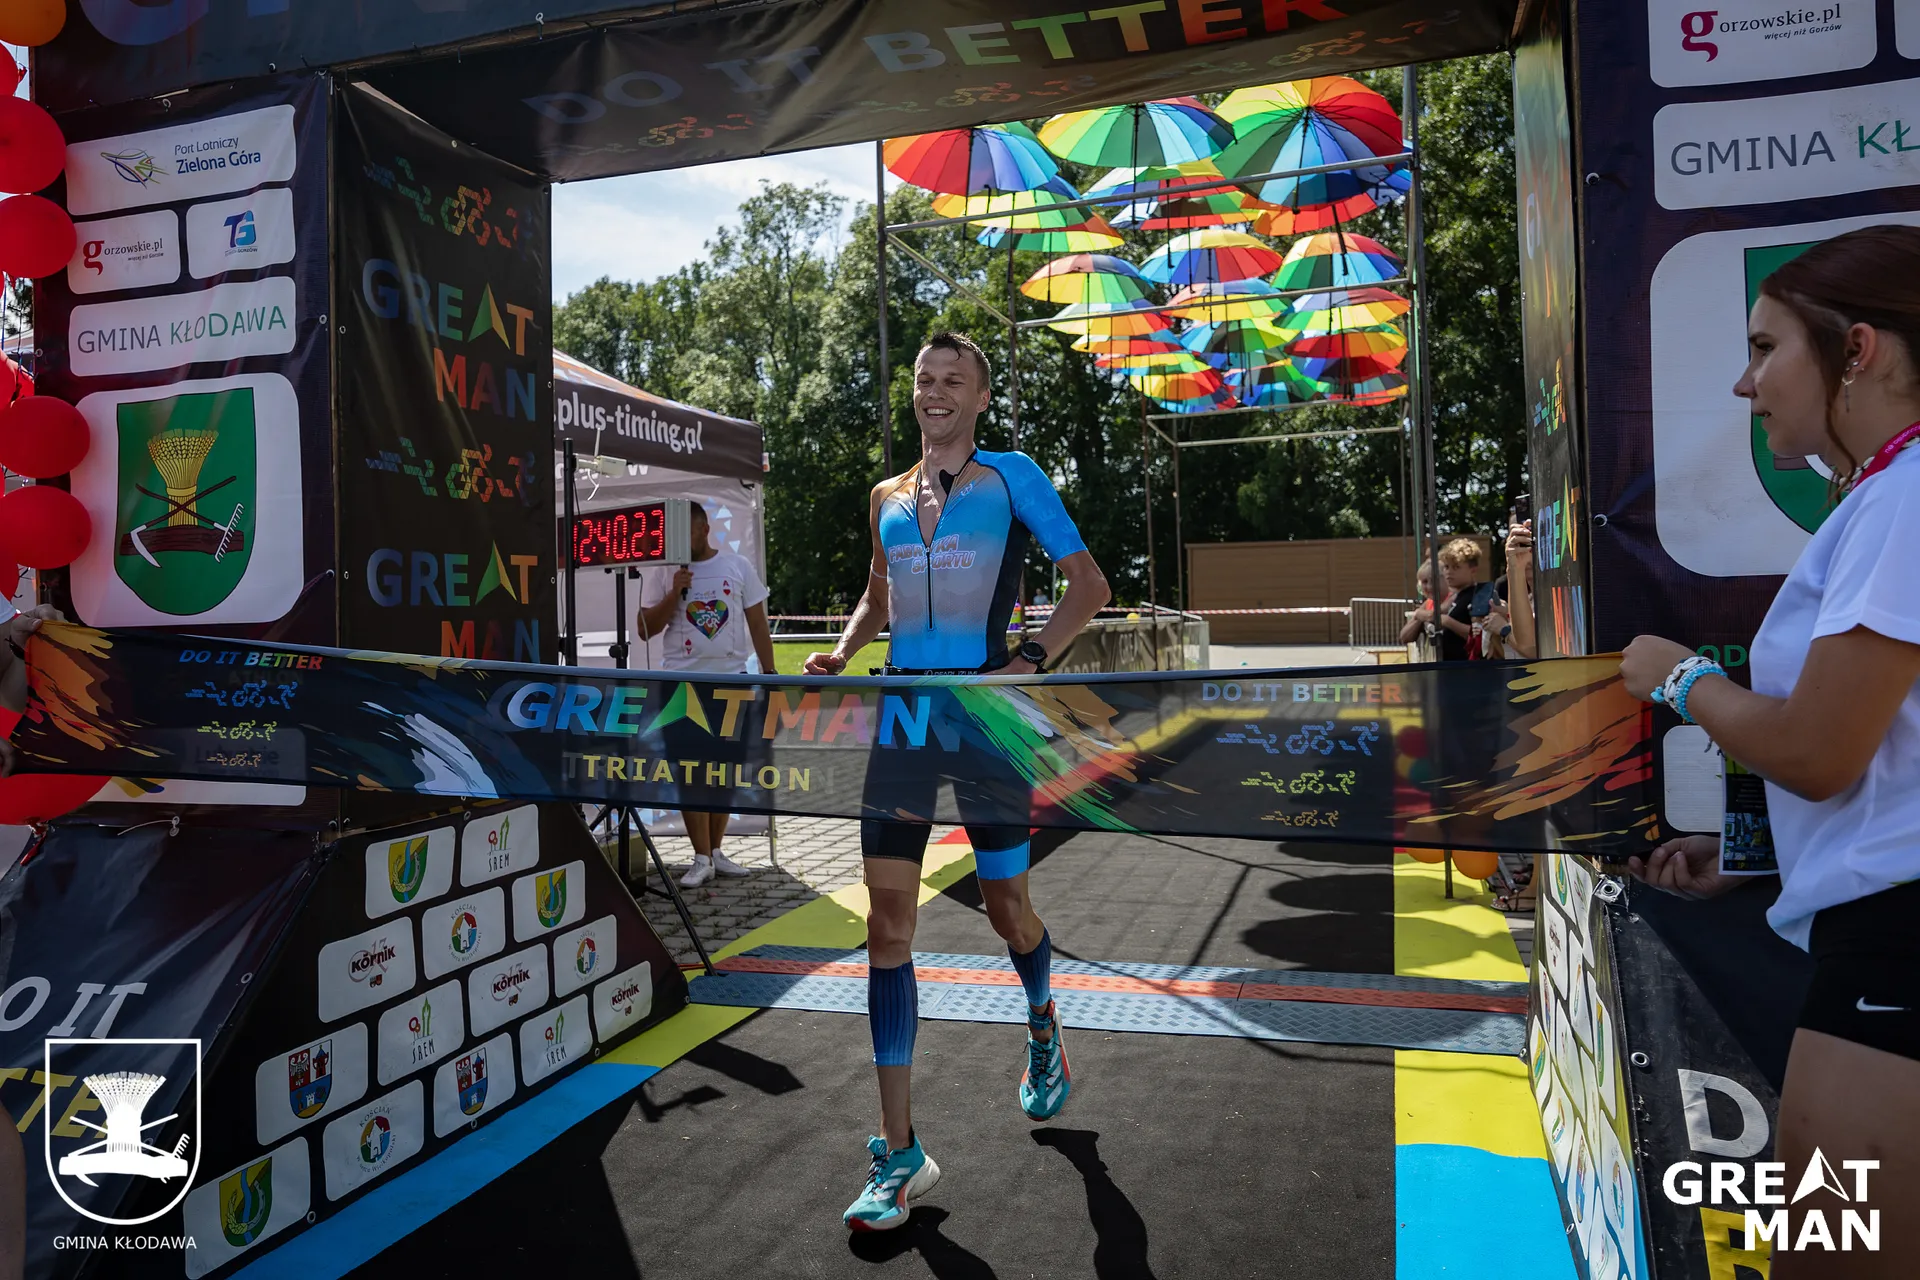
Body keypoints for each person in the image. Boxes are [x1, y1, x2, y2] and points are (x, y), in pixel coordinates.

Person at [1620, 225, 1920, 1276]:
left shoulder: (1907, 496)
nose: (1749, 384)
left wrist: (1679, 678)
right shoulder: (1888, 497)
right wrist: (1758, 861)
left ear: (1859, 351)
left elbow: (1822, 748)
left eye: (1766, 348)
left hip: (1896, 954)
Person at [804, 331, 1110, 1231]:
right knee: (887, 924)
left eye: (954, 382)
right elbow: (878, 592)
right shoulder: (885, 495)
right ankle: (900, 1153)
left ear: (980, 397)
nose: (935, 393)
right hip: (902, 717)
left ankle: (1044, 1021)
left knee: (1008, 908)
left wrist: (1023, 661)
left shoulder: (1013, 476)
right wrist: (845, 647)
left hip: (984, 721)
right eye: (924, 381)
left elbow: (1088, 584)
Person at [636, 502, 778, 888]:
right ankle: (698, 857)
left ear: (703, 529)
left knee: (724, 770)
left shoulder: (737, 566)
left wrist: (770, 674)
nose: (677, 542)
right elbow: (645, 629)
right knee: (691, 772)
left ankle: (715, 852)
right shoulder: (665, 571)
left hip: (732, 684)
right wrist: (674, 593)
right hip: (681, 686)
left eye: (685, 532)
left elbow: (757, 622)